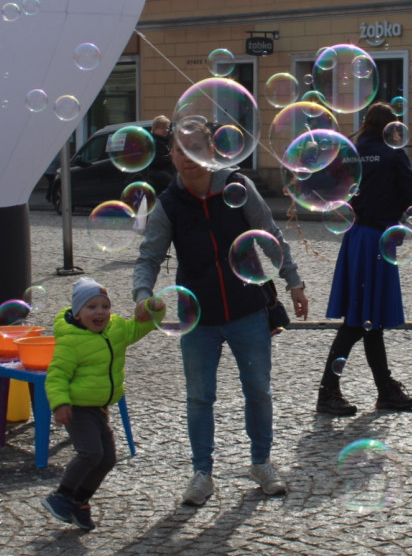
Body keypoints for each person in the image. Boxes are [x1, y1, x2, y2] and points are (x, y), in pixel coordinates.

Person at [132, 122, 309, 507]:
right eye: (179, 150)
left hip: (247, 309)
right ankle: (202, 474)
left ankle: (261, 463)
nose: (186, 157)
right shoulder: (169, 204)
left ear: (210, 151)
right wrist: (143, 294)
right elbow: (148, 256)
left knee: (258, 390)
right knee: (199, 397)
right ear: (172, 156)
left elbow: (271, 235)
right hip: (197, 315)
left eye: (194, 148)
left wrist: (293, 280)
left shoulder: (238, 187)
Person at [317, 102, 412, 417]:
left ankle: (385, 389)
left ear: (366, 123)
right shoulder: (393, 154)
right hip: (377, 237)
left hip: (357, 236)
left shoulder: (350, 151)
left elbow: (330, 188)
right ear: (391, 127)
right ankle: (327, 391)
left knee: (368, 319)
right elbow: (410, 196)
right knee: (358, 320)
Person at [42, 277, 165, 531]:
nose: (100, 312)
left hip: (99, 409)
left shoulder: (116, 330)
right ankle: (61, 495)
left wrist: (156, 309)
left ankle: (80, 501)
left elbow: (141, 327)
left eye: (105, 307)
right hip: (77, 408)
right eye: (91, 307)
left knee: (108, 458)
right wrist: (60, 404)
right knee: (91, 453)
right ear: (77, 314)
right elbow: (56, 375)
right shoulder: (70, 340)